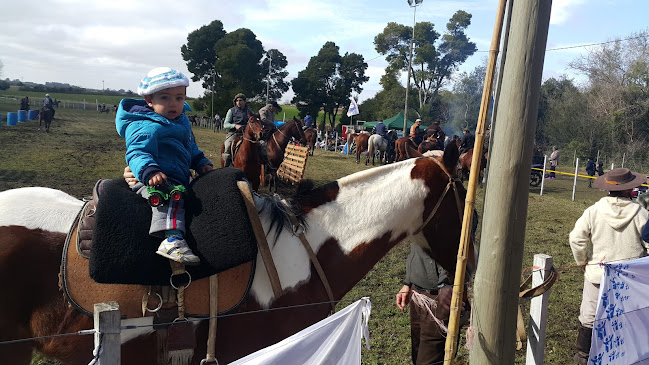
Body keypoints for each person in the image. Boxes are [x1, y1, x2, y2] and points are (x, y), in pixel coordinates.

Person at [115, 67, 213, 265]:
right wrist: (149, 170)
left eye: (179, 98)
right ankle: (172, 240)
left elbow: (189, 146)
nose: (174, 104)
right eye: (165, 98)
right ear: (150, 100)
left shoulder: (182, 121)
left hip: (178, 173)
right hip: (154, 178)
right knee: (171, 197)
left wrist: (201, 162)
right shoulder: (144, 125)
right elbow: (136, 152)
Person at [569, 168, 648, 364]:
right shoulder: (640, 212)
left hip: (597, 274)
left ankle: (583, 355)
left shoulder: (593, 211)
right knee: (627, 317)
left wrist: (583, 262)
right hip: (629, 280)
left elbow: (576, 239)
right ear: (628, 189)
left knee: (589, 316)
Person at [222, 93, 254, 167]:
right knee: (228, 146)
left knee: (260, 145)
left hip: (247, 134)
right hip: (234, 133)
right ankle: (226, 167)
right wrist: (235, 126)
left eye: (240, 100)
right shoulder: (231, 111)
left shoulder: (250, 112)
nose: (238, 102)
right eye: (237, 101)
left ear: (245, 101)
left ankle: (264, 166)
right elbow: (225, 124)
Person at [258, 101, 282, 165]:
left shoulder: (271, 112)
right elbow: (263, 119)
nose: (275, 110)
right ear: (272, 106)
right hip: (264, 130)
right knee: (262, 143)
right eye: (275, 108)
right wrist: (272, 123)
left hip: (271, 129)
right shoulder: (264, 110)